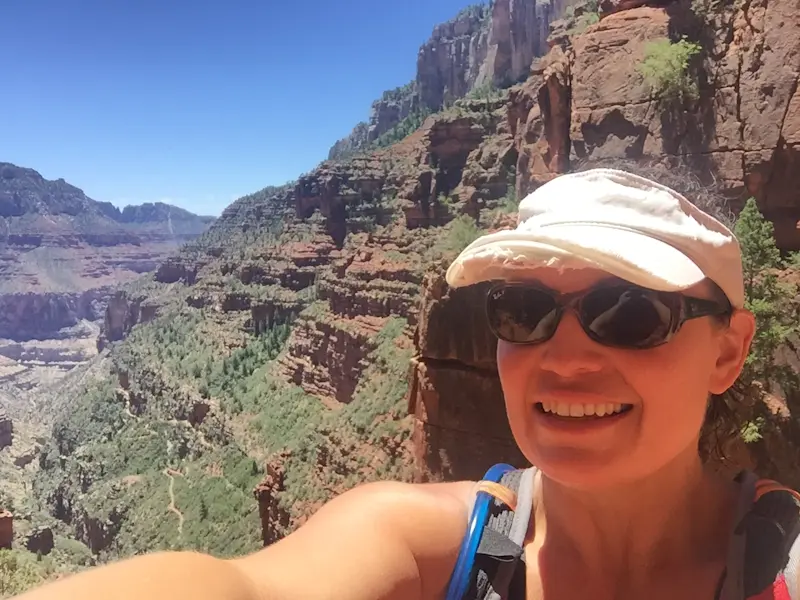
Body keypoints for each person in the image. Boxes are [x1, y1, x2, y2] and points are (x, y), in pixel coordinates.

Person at [16, 168, 800, 600]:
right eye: (523, 310)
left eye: (629, 313)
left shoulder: (784, 568)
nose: (564, 357)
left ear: (729, 352)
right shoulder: (440, 553)